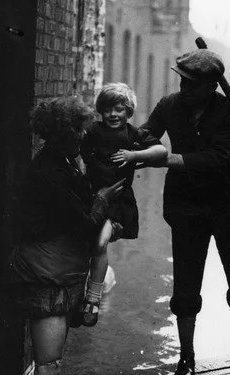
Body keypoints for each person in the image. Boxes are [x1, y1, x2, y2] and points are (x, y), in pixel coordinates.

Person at [141, 49, 230, 375]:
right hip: (187, 206)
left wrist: (166, 160)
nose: (183, 88)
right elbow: (146, 132)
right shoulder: (170, 104)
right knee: (186, 286)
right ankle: (187, 358)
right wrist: (150, 145)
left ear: (211, 86)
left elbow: (217, 158)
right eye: (182, 80)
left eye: (191, 83)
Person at [9, 96, 125, 375]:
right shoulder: (51, 174)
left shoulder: (63, 164)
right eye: (78, 130)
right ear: (63, 135)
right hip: (47, 280)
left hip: (58, 276)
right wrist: (101, 199)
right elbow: (86, 225)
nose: (84, 135)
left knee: (50, 368)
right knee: (48, 370)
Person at [79, 83, 167, 327]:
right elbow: (77, 148)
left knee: (100, 241)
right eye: (108, 109)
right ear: (100, 111)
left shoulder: (132, 134)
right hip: (93, 196)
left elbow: (161, 151)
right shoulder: (93, 131)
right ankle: (87, 291)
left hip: (118, 203)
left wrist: (134, 155)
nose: (113, 115)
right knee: (90, 243)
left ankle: (93, 299)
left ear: (128, 112)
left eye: (119, 109)